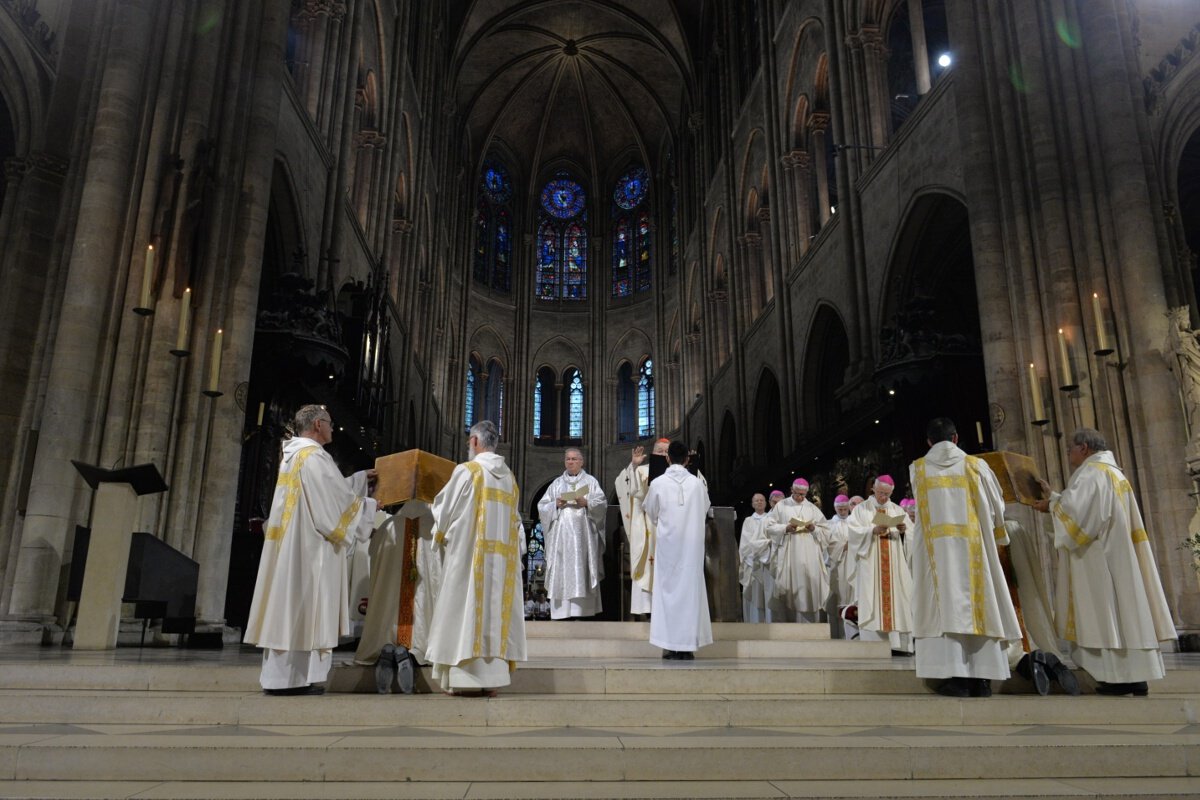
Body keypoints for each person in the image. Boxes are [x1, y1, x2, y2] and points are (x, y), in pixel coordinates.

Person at [245, 404, 377, 696]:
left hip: (294, 549)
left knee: (289, 612)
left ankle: (287, 678)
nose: (332, 428)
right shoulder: (314, 457)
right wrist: (367, 506)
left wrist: (357, 481)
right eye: (329, 423)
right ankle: (294, 679)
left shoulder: (295, 456)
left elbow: (326, 494)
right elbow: (332, 507)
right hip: (309, 552)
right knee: (304, 609)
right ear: (317, 424)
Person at [1032, 428, 1175, 696]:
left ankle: (1117, 678)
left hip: (1098, 560)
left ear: (1083, 447)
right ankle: (1136, 677)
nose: (1069, 454)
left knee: (1108, 615)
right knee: (1126, 616)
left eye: (1071, 449)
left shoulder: (1091, 473)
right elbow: (1085, 508)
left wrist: (1050, 506)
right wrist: (1053, 498)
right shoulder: (1113, 472)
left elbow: (1080, 521)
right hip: (1117, 556)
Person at [908, 417, 1021, 697]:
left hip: (937, 557)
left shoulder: (918, 469)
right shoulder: (977, 466)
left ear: (929, 443)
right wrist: (999, 538)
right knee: (980, 605)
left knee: (942, 607)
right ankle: (982, 678)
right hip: (975, 552)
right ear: (956, 438)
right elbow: (997, 507)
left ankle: (955, 676)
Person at [421, 420, 526, 696]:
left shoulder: (468, 472)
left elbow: (445, 513)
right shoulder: (510, 479)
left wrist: (433, 510)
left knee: (465, 610)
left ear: (475, 442)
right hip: (501, 566)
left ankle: (464, 679)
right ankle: (491, 681)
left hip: (470, 562)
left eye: (470, 441)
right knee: (493, 615)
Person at [643, 441, 713, 659]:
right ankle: (688, 647)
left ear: (667, 458)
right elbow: (705, 509)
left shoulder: (658, 483)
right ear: (687, 460)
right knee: (690, 592)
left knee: (668, 593)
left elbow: (651, 512)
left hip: (669, 546)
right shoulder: (697, 483)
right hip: (692, 548)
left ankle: (670, 645)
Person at [846, 475, 914, 653]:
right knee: (872, 601)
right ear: (873, 490)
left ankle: (899, 646)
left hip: (894, 566)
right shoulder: (861, 510)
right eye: (881, 493)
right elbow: (852, 533)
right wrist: (872, 530)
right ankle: (873, 645)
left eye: (887, 493)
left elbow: (913, 538)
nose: (884, 497)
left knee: (899, 601)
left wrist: (903, 531)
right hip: (870, 564)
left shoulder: (897, 510)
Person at [538, 447, 607, 619]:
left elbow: (602, 504)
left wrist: (587, 502)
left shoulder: (591, 482)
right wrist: (555, 504)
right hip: (561, 537)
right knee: (562, 567)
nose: (570, 462)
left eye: (574, 459)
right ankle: (562, 612)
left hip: (584, 537)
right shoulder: (556, 484)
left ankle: (582, 612)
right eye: (568, 459)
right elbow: (542, 506)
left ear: (582, 461)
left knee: (582, 567)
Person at [615, 439, 670, 618]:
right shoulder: (641, 470)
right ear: (653, 452)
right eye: (659, 451)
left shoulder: (677, 473)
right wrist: (633, 465)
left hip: (669, 526)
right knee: (646, 564)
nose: (662, 454)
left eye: (666, 451)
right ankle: (647, 609)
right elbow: (625, 487)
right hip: (647, 526)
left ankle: (668, 606)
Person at [765, 478, 828, 623]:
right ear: (792, 490)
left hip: (810, 552)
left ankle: (810, 625)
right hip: (790, 550)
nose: (800, 497)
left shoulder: (812, 508)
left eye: (803, 495)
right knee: (789, 585)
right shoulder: (781, 506)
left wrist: (813, 528)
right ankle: (791, 624)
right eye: (798, 493)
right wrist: (785, 528)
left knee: (809, 583)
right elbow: (769, 527)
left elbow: (825, 530)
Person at [739, 492, 779, 623]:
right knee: (755, 595)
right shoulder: (748, 521)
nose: (759, 502)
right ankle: (755, 623)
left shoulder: (772, 518)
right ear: (752, 504)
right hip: (754, 562)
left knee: (769, 593)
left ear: (766, 503)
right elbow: (745, 543)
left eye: (761, 500)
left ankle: (771, 621)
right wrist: (756, 555)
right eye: (756, 501)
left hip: (769, 560)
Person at [824, 494, 854, 639]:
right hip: (836, 566)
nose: (842, 512)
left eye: (844, 509)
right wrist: (844, 546)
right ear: (835, 508)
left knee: (851, 597)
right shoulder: (829, 524)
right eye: (839, 509)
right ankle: (835, 633)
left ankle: (850, 634)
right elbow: (826, 544)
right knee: (837, 597)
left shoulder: (855, 522)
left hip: (854, 564)